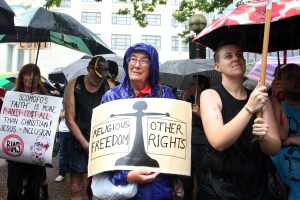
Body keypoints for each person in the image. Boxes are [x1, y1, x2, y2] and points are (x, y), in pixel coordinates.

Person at [92, 43, 176, 199]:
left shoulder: (164, 94)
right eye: (133, 59)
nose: (137, 65)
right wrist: (125, 175)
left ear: (153, 66)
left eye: (144, 60)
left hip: (158, 184)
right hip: (124, 185)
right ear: (127, 63)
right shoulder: (111, 97)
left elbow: (173, 144)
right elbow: (103, 148)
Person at [199, 43, 281, 199]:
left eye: (239, 55)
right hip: (220, 185)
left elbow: (274, 147)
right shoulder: (210, 95)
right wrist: (249, 107)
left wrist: (264, 138)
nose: (236, 59)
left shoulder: (260, 98)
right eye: (228, 56)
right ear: (218, 66)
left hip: (255, 182)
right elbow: (218, 141)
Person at [64, 55, 110, 199]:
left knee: (97, 189)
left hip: (100, 144)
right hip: (78, 142)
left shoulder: (108, 87)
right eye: (97, 75)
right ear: (89, 69)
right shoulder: (74, 85)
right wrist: (85, 144)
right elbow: (69, 119)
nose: (99, 79)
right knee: (75, 188)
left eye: (102, 76)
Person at [7, 63, 49, 200]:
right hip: (16, 148)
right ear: (22, 76)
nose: (32, 78)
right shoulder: (13, 95)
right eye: (28, 74)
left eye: (35, 74)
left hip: (35, 150)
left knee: (33, 187)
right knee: (14, 187)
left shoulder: (45, 97)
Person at [271, 63, 300, 200]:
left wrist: (289, 141)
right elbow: (280, 135)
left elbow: (284, 139)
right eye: (290, 76)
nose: (297, 79)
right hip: (284, 187)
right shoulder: (270, 105)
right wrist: (276, 99)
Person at [181, 75, 210, 200]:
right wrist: (183, 102)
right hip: (187, 144)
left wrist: (200, 113)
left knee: (203, 180)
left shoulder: (210, 102)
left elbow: (215, 125)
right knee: (186, 180)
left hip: (202, 145)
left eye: (192, 84)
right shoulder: (189, 100)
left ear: (201, 86)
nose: (189, 87)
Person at [55, 100, 71, 182]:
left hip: (76, 130)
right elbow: (59, 114)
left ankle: (73, 172)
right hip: (64, 130)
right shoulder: (62, 101)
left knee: (75, 153)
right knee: (63, 153)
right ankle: (62, 173)